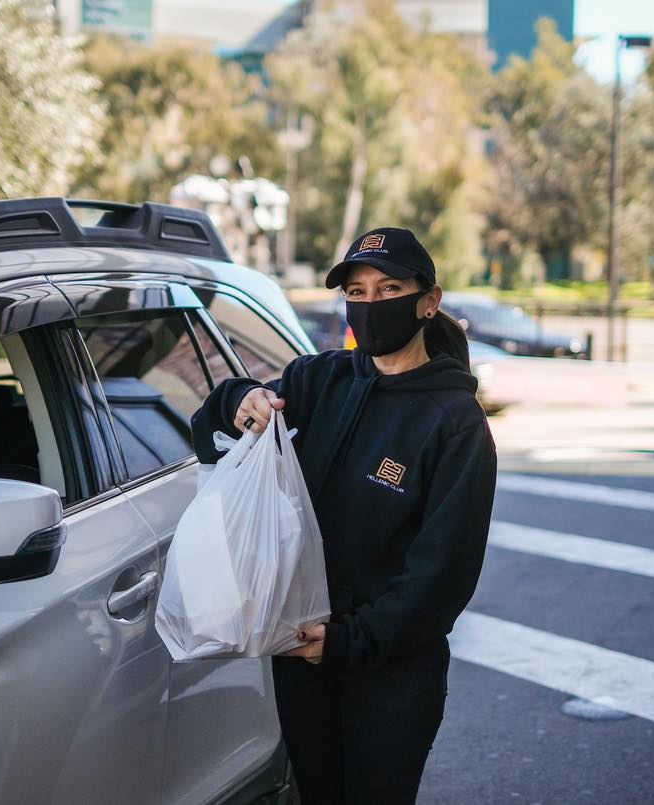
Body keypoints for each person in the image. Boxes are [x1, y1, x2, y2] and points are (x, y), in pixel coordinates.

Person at [191, 227, 497, 805]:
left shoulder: (455, 422)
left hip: (390, 671)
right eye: (356, 292)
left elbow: (443, 576)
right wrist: (240, 401)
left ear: (428, 301)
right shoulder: (317, 380)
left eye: (389, 289)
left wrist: (347, 640)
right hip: (300, 653)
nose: (371, 305)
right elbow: (208, 431)